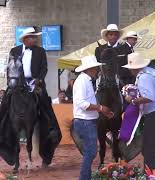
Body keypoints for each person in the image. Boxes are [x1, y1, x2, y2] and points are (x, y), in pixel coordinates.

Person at [2, 27, 62, 166]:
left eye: (35, 37)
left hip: (36, 83)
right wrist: (11, 83)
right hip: (18, 83)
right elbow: (10, 67)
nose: (34, 39)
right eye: (31, 37)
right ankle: (3, 126)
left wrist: (38, 80)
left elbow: (44, 68)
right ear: (25, 39)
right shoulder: (14, 51)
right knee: (5, 102)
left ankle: (51, 129)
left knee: (45, 105)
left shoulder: (40, 51)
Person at [122, 53, 155, 175]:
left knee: (149, 149)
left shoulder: (143, 77)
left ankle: (150, 175)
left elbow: (149, 97)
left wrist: (132, 100)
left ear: (133, 68)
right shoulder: (151, 72)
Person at [72, 55, 114, 180]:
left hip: (86, 121)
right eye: (96, 68)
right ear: (90, 69)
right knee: (90, 152)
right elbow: (82, 104)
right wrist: (101, 108)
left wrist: (102, 111)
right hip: (85, 122)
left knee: (90, 152)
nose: (98, 70)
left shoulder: (86, 81)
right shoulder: (83, 81)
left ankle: (86, 177)